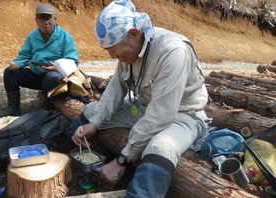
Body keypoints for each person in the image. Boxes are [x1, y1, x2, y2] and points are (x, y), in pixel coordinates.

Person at [63, 0, 211, 197]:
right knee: (92, 112)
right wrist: (95, 123)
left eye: (113, 49)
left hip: (183, 116)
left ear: (134, 33)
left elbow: (161, 115)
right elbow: (115, 91)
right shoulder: (130, 51)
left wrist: (122, 159)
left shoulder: (172, 51)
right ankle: (60, 156)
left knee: (160, 146)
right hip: (145, 109)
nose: (111, 56)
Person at [0, 3, 78, 118]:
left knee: (52, 77)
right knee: (9, 73)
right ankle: (13, 109)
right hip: (36, 75)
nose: (46, 22)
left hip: (55, 79)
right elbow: (24, 56)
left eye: (48, 18)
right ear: (36, 20)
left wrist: (57, 67)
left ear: (54, 19)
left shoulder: (65, 37)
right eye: (42, 18)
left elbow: (73, 61)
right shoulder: (32, 36)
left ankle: (45, 110)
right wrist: (16, 64)